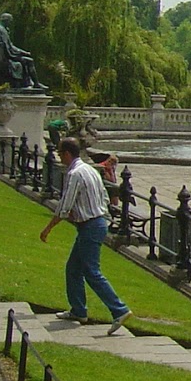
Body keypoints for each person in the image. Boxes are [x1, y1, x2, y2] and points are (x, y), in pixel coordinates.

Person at [39, 137, 132, 335]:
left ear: (67, 154)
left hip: (90, 225)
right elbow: (104, 197)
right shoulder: (90, 169)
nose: (59, 157)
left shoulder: (74, 174)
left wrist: (48, 229)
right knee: (73, 269)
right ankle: (78, 311)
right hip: (95, 223)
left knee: (91, 271)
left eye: (59, 153)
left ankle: (119, 309)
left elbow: (64, 206)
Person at [0, 12, 43, 90]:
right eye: (10, 21)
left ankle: (29, 83)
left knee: (24, 60)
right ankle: (35, 84)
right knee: (29, 61)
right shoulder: (2, 31)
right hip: (3, 59)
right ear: (6, 21)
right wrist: (24, 52)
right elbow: (9, 48)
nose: (10, 24)